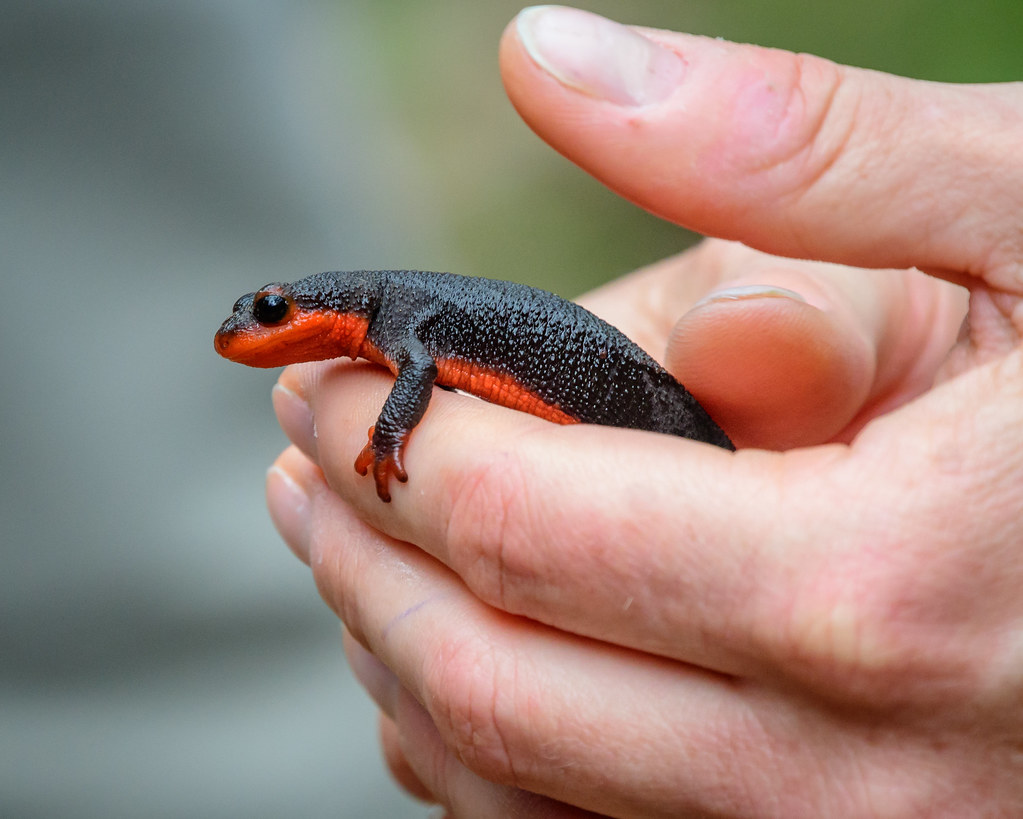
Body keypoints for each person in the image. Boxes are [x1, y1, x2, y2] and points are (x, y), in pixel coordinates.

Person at [263, 6, 1023, 817]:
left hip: (630, 400)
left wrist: (386, 435)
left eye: (272, 311)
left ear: (322, 306)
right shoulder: (383, 319)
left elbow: (419, 370)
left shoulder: (392, 319)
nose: (256, 332)